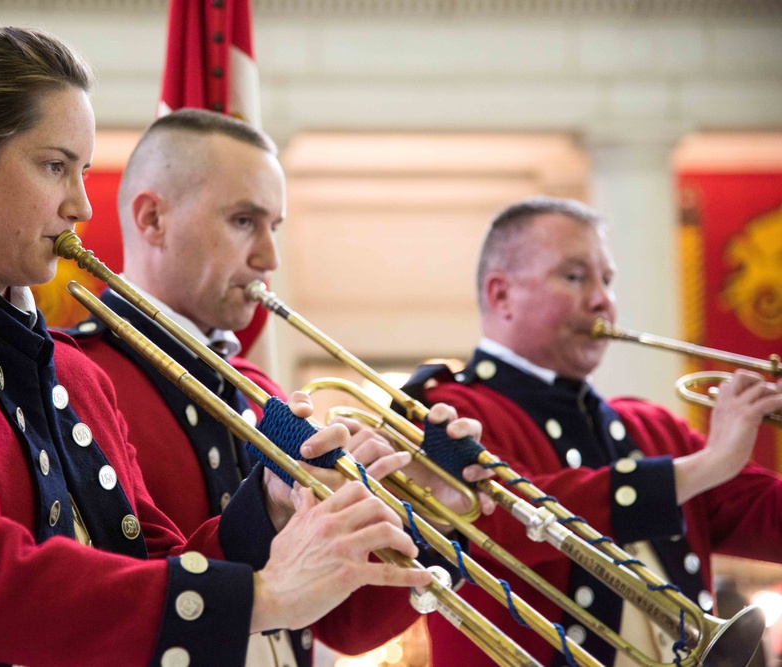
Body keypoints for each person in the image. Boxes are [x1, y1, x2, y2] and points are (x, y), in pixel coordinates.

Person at [0, 25, 437, 666]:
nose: (81, 206)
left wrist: (270, 499)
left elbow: (152, 565)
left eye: (82, 170)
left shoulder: (74, 372)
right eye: (54, 166)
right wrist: (264, 596)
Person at [68, 108, 494, 664]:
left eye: (274, 227)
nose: (269, 258)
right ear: (152, 219)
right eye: (244, 221)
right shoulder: (76, 372)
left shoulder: (260, 388)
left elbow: (342, 626)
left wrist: (433, 510)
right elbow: (114, 598)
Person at [401, 195, 782, 666]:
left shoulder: (653, 426)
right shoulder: (446, 411)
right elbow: (506, 516)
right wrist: (704, 467)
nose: (602, 298)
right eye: (575, 276)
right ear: (501, 295)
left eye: (607, 280)